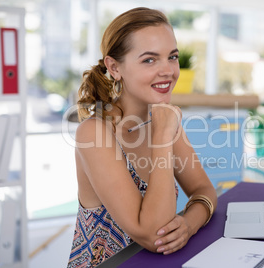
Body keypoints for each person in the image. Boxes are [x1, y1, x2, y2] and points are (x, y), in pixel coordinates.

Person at [67, 7, 217, 267]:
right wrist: (161, 137)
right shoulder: (94, 132)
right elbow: (152, 234)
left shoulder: (162, 121)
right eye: (149, 59)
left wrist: (188, 224)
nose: (168, 71)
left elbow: (204, 190)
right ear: (114, 67)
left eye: (172, 57)